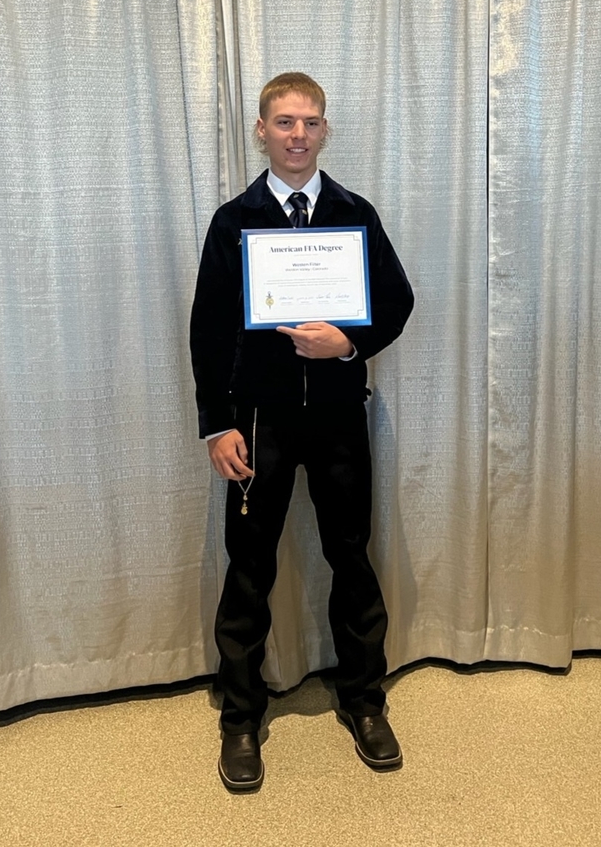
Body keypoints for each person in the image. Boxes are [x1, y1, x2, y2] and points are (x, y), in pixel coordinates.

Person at [190, 72, 414, 791]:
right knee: (250, 567)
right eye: (284, 122)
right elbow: (207, 331)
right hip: (260, 424)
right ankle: (241, 716)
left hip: (341, 419)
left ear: (325, 130)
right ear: (261, 130)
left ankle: (364, 701)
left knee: (352, 559)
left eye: (310, 123)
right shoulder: (236, 219)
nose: (297, 135)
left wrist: (347, 344)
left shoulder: (354, 214)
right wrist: (217, 425)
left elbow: (399, 301)